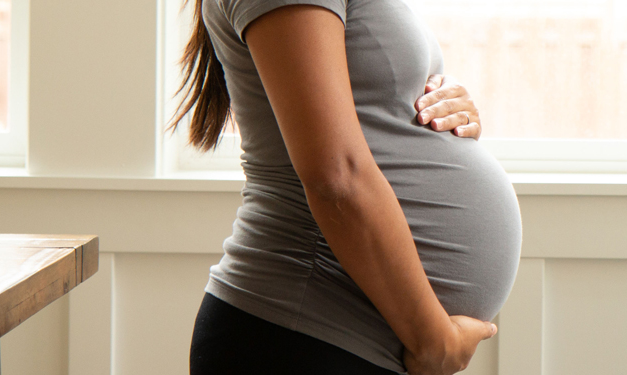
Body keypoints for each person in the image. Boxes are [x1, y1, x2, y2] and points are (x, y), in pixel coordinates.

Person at [170, 0, 523, 374]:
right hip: (304, 337)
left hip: (337, 339)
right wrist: (434, 340)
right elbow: (335, 177)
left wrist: (440, 108)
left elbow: (365, 102)